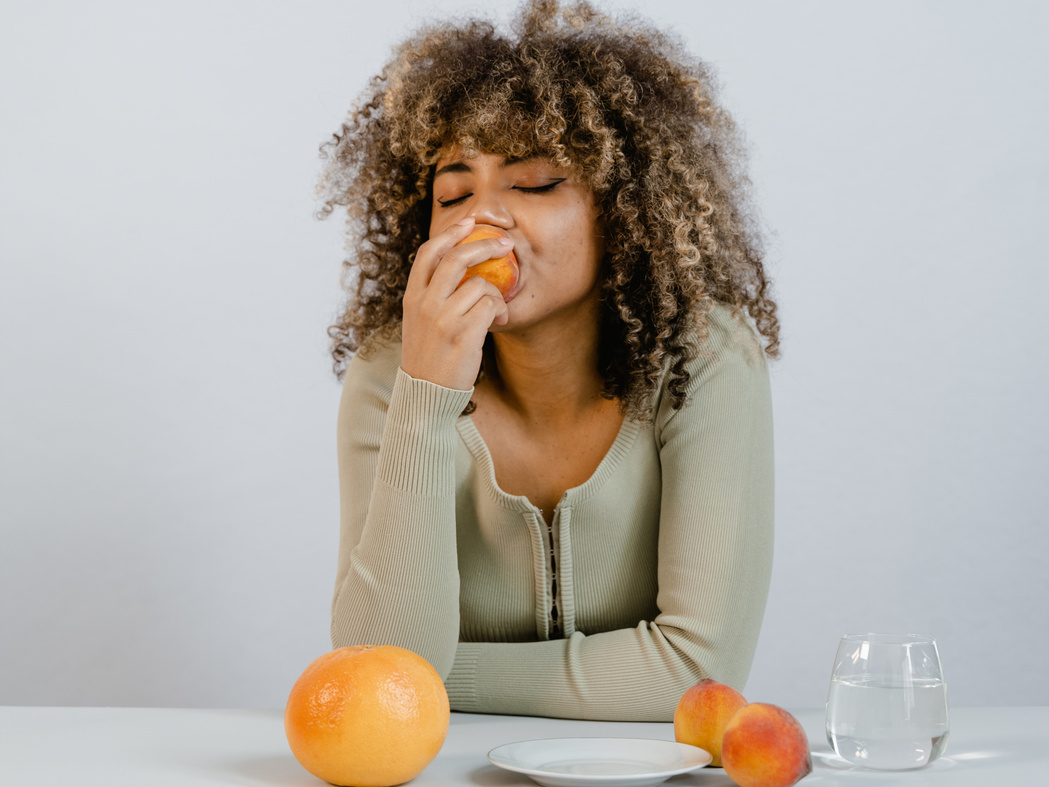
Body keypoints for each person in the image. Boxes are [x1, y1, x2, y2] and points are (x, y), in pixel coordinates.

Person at [318, 0, 779, 722]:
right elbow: (382, 672)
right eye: (453, 191)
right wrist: (426, 391)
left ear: (624, 207)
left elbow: (698, 670)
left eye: (534, 182)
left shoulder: (703, 356)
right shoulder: (391, 373)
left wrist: (440, 679)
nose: (482, 217)